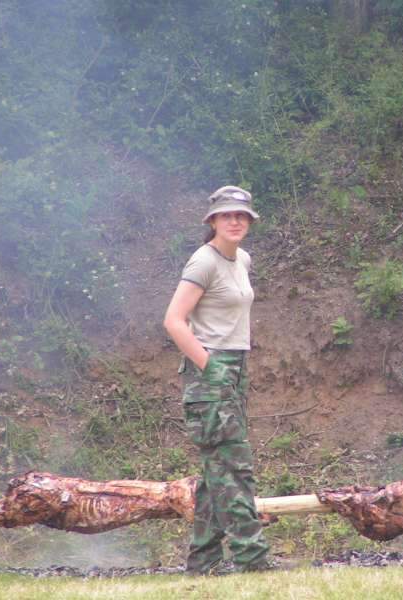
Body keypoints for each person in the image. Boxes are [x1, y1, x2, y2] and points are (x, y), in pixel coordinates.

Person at [163, 185, 271, 575]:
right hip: (210, 372)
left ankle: (204, 561)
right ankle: (252, 559)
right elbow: (174, 321)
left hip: (235, 369)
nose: (235, 221)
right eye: (227, 215)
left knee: (217, 472)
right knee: (235, 468)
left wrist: (231, 372)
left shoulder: (242, 258)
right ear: (212, 221)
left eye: (241, 215)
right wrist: (211, 367)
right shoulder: (202, 262)